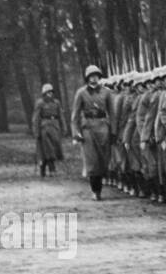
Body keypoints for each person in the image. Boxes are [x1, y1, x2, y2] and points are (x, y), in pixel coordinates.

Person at [70, 65, 116, 200]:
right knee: (92, 161)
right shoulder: (81, 93)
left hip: (103, 128)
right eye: (91, 76)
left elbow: (112, 113)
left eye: (96, 76)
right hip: (88, 129)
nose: (94, 79)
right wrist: (76, 132)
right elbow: (75, 114)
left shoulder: (107, 92)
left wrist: (113, 132)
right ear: (87, 78)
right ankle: (95, 190)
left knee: (103, 160)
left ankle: (99, 186)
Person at [31, 84, 65, 177]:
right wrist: (36, 131)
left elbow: (61, 115)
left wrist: (63, 127)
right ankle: (49, 169)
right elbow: (36, 118)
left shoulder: (56, 103)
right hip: (44, 127)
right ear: (44, 93)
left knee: (54, 148)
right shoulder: (40, 103)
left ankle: (48, 167)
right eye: (47, 92)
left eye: (51, 92)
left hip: (55, 127)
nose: (49, 94)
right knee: (46, 149)